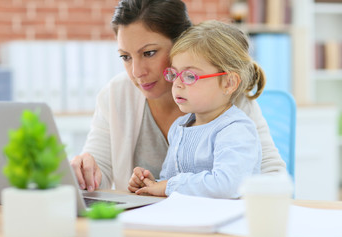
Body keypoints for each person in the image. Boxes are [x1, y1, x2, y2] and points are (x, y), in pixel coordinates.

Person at [70, 0, 286, 193]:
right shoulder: (117, 94)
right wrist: (87, 171)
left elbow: (272, 176)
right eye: (125, 57)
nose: (136, 72)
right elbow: (101, 175)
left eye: (149, 53)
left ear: (182, 44)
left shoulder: (225, 95)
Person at [128, 20, 262, 198]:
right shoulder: (179, 127)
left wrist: (169, 185)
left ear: (229, 83)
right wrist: (153, 183)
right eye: (174, 74)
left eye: (190, 75)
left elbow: (227, 185)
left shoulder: (236, 130)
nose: (177, 84)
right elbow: (172, 181)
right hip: (189, 219)